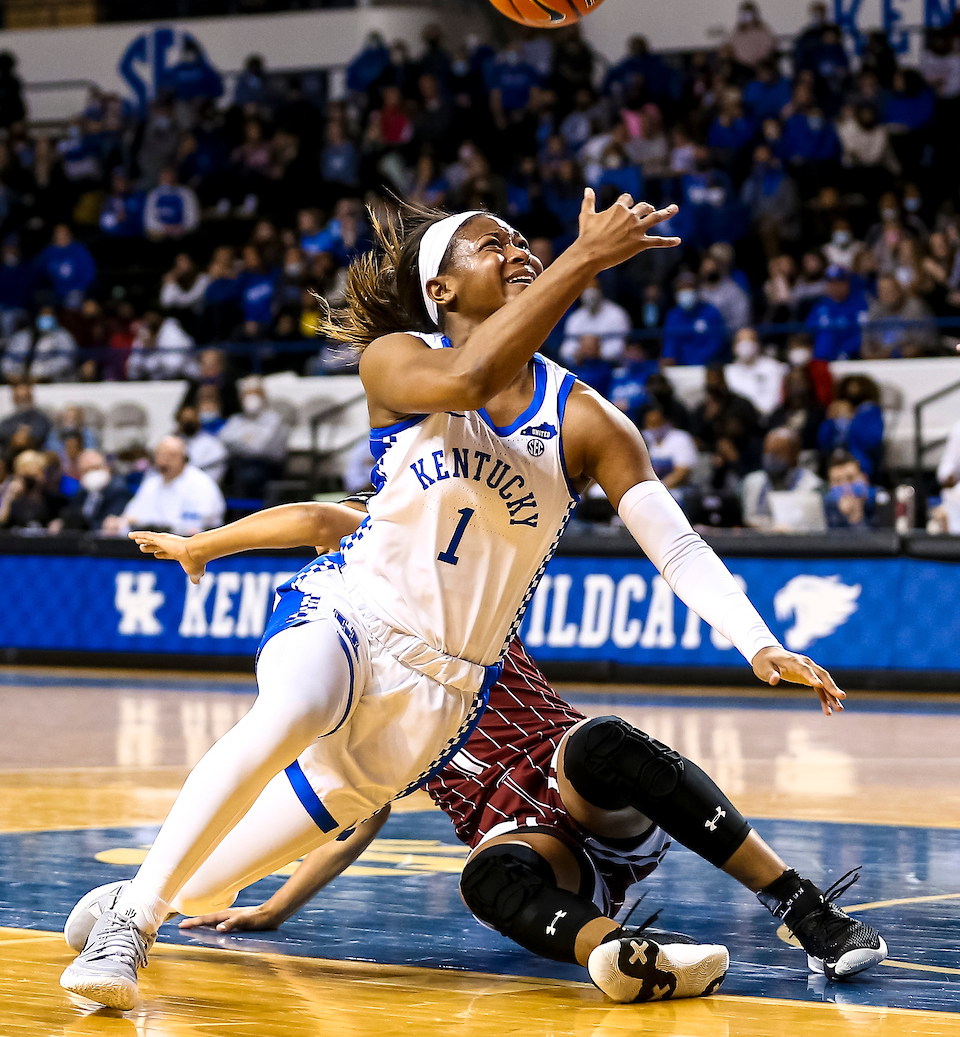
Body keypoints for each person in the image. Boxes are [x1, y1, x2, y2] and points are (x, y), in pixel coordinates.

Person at [62, 192, 846, 1012]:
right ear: (441, 290)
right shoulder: (398, 357)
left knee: (200, 889)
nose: (516, 249)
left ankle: (136, 897)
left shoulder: (587, 420)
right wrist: (584, 259)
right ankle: (132, 927)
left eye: (520, 240)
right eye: (488, 244)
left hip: (441, 695)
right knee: (289, 707)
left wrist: (757, 641)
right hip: (351, 618)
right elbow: (467, 380)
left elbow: (676, 545)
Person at [67, 501, 883, 999]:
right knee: (485, 877)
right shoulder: (357, 688)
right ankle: (629, 957)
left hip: (571, 780)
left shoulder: (440, 593)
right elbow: (359, 811)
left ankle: (804, 907)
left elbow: (323, 522)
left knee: (598, 744)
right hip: (525, 837)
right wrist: (279, 905)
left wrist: (206, 543)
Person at [102, 436, 224, 537]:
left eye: (170, 456)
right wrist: (118, 523)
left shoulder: (201, 483)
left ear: (184, 458)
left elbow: (200, 525)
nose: (163, 462)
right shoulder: (151, 483)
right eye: (160, 456)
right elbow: (131, 517)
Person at [217, 378, 289, 497]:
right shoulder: (236, 420)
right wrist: (246, 441)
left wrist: (238, 442)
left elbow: (259, 448)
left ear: (263, 396)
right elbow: (222, 440)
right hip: (237, 465)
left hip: (267, 466)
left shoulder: (274, 419)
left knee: (249, 474)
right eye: (247, 394)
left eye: (255, 393)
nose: (251, 398)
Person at [741, 429, 823, 531]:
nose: (770, 456)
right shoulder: (752, 482)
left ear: (794, 456)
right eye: (767, 451)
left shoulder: (812, 485)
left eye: (777, 452)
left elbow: (810, 524)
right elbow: (748, 520)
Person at [660, 272, 726, 366]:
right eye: (681, 290)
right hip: (680, 368)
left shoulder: (711, 312)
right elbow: (669, 344)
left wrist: (698, 361)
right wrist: (668, 359)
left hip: (706, 366)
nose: (685, 293)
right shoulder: (673, 316)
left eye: (689, 288)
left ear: (697, 290)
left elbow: (716, 342)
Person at [559, 280, 631, 365]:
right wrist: (580, 352)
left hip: (611, 367)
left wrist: (597, 351)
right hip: (582, 366)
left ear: (600, 291)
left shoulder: (616, 314)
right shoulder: (575, 318)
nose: (590, 296)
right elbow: (566, 350)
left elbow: (619, 347)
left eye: (593, 290)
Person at [805, 267, 869, 362]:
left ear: (847, 283)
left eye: (839, 282)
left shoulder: (859, 305)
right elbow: (808, 332)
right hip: (821, 362)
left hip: (851, 359)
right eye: (831, 283)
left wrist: (847, 351)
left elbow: (863, 333)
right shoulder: (820, 306)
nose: (835, 286)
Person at [59, 449, 132, 532]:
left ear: (106, 468)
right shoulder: (81, 494)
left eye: (95, 468)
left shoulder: (119, 492)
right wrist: (62, 524)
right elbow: (72, 515)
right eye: (86, 470)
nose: (91, 473)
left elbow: (105, 523)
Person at [723, 328, 787, 419]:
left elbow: (776, 397)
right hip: (740, 420)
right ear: (734, 347)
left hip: (770, 417)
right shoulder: (728, 371)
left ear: (758, 344)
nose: (746, 345)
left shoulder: (773, 367)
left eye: (750, 340)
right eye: (741, 341)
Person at [0, 448, 64, 531]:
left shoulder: (51, 497)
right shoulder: (11, 494)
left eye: (34, 475)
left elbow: (59, 519)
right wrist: (9, 497)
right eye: (26, 475)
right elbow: (2, 521)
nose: (30, 481)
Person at [640, 405, 698, 492]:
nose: (653, 428)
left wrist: (659, 489)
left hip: (676, 490)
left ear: (666, 422)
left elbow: (682, 472)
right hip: (651, 490)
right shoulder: (644, 438)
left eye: (657, 423)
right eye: (650, 424)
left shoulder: (680, 438)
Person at [175, 403, 227, 485]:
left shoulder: (212, 443)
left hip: (203, 485)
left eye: (191, 420)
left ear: (198, 420)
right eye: (185, 420)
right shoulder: (172, 443)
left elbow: (217, 470)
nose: (188, 423)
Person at [143, 166, 200, 240]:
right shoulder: (153, 194)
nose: (168, 178)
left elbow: (193, 219)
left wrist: (180, 228)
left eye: (170, 175)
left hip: (183, 234)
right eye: (165, 176)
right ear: (160, 177)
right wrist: (164, 229)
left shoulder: (186, 193)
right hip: (160, 235)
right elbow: (149, 221)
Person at [824, 450, 876, 530]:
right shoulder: (826, 510)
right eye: (838, 482)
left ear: (864, 479)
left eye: (850, 478)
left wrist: (856, 517)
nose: (846, 488)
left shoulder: (879, 503)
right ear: (830, 486)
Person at [0, 381, 52, 453]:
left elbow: (41, 432)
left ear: (31, 397)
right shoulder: (7, 421)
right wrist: (17, 435)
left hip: (36, 453)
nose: (22, 401)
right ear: (14, 399)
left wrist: (26, 436)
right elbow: (3, 433)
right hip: (9, 456)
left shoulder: (41, 418)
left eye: (25, 397)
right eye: (19, 398)